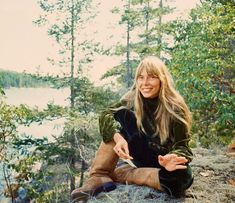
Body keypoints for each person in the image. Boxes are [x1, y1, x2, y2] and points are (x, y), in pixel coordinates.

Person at [71, 56, 194, 202]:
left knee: (183, 177)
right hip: (141, 153)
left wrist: (172, 157)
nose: (145, 83)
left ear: (162, 80)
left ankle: (122, 174)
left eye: (152, 77)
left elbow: (182, 147)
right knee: (120, 115)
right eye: (141, 77)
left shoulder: (176, 108)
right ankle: (99, 175)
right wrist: (118, 138)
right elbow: (106, 114)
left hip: (163, 164)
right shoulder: (132, 97)